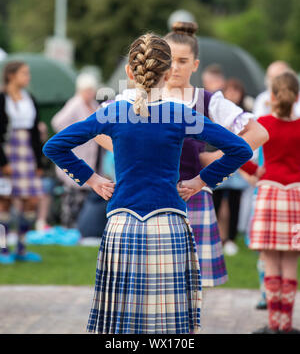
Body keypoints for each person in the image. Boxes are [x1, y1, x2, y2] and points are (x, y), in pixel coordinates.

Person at [43, 33, 253, 334]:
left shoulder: (113, 112)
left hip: (121, 227)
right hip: (169, 226)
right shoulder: (181, 115)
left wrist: (93, 179)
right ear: (167, 74)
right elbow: (241, 149)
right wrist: (199, 181)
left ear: (130, 72)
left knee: (123, 326)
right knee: (169, 327)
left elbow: (54, 146)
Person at [104, 22, 269, 289]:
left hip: (189, 195)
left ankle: (185, 331)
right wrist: (128, 150)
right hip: (143, 197)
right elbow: (96, 127)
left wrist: (213, 160)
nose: (175, 67)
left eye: (183, 61)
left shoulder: (206, 101)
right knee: (145, 282)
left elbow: (258, 132)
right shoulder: (136, 97)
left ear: (195, 65)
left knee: (189, 286)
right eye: (170, 60)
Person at [243, 71, 300, 334]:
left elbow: (237, 150)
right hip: (296, 195)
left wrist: (255, 171)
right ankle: (286, 325)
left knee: (270, 263)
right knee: (290, 264)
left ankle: (273, 324)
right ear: (297, 96)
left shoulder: (263, 123)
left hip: (269, 194)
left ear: (272, 97)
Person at [0, 61, 45, 263]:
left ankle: (21, 247)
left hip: (27, 153)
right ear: (11, 75)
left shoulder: (30, 99)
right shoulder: (2, 99)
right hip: (7, 152)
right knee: (5, 201)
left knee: (31, 201)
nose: (27, 77)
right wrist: (2, 162)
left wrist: (39, 163)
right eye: (23, 73)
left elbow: (35, 133)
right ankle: (2, 248)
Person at [51, 73, 102, 228]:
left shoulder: (94, 105)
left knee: (85, 196)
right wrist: (75, 136)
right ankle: (68, 227)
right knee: (71, 197)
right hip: (77, 153)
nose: (90, 93)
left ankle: (81, 227)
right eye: (87, 90)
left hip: (92, 158)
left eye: (92, 90)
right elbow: (57, 123)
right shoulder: (75, 103)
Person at [213, 78, 251, 256]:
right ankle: (216, 238)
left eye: (237, 91)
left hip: (238, 166)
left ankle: (230, 238)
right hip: (219, 162)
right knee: (216, 202)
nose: (233, 94)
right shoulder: (215, 112)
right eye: (230, 90)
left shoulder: (245, 115)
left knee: (234, 203)